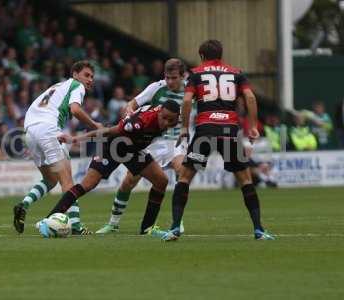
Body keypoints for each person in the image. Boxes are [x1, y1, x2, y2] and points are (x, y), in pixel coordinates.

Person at [161, 40, 275, 241]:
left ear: (202, 55)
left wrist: (185, 128)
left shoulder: (196, 74)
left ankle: (175, 228)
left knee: (185, 178)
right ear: (220, 55)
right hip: (229, 130)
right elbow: (250, 98)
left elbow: (187, 101)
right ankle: (258, 229)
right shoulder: (236, 73)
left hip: (205, 129)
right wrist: (254, 125)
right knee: (246, 180)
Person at [38, 100, 180, 237]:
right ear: (159, 112)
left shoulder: (168, 117)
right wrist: (75, 139)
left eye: (171, 121)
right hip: (112, 145)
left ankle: (147, 228)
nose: (166, 123)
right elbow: (108, 131)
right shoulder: (138, 123)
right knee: (88, 184)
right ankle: (47, 220)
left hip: (133, 150)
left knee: (161, 181)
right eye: (164, 118)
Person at [96, 58, 186, 234]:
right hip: (153, 142)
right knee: (129, 181)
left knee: (182, 173)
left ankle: (177, 221)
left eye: (174, 78)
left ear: (182, 76)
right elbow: (132, 104)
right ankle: (113, 223)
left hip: (176, 143)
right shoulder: (156, 88)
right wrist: (129, 113)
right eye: (167, 77)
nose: (170, 81)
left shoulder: (191, 91)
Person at [13, 60, 103, 235]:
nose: (90, 79)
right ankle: (76, 227)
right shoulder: (77, 86)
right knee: (67, 182)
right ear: (75, 74)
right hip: (48, 129)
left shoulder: (58, 86)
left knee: (50, 180)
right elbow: (75, 110)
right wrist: (94, 125)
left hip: (30, 132)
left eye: (92, 76)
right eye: (87, 75)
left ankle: (24, 204)